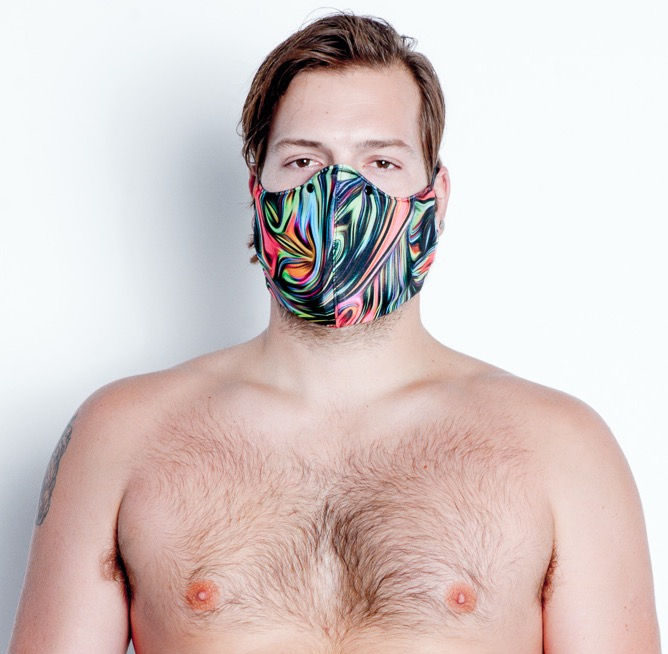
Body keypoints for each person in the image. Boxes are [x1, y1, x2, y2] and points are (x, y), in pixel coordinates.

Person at [10, 12, 661, 654]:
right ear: (258, 193)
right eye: (303, 161)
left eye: (380, 162)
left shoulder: (559, 448)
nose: (339, 192)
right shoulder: (123, 437)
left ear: (436, 197)